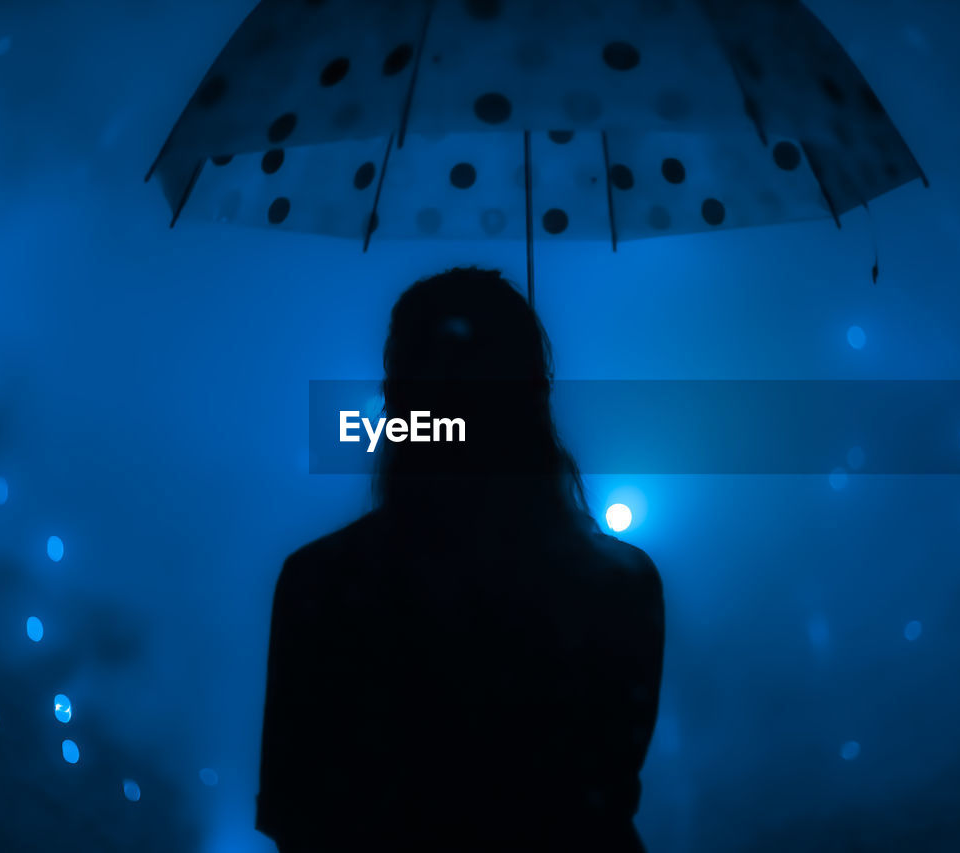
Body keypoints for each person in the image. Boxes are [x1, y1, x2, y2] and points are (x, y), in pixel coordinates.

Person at [257, 267, 665, 852]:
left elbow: (293, 812)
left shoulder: (320, 578)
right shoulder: (621, 583)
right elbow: (600, 785)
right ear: (532, 394)